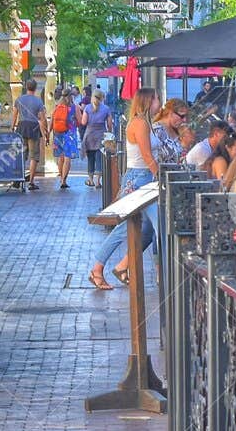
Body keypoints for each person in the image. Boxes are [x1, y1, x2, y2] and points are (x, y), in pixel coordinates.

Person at [86, 88, 161, 289]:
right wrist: (160, 176)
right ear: (148, 101)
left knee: (149, 226)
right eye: (156, 99)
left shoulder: (145, 122)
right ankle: (98, 268)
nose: (159, 103)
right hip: (140, 179)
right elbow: (146, 155)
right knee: (148, 226)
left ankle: (111, 267)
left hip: (142, 178)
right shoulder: (140, 124)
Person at [13, 79, 49, 189]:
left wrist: (12, 127)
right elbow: (43, 119)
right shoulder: (38, 101)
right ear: (35, 88)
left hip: (21, 127)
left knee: (21, 154)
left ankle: (18, 178)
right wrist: (46, 131)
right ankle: (31, 182)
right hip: (34, 128)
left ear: (26, 87)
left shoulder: (19, 99)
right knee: (34, 156)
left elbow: (15, 115)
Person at [81, 89, 112, 188]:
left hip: (89, 134)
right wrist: (109, 132)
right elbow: (110, 124)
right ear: (102, 98)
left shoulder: (87, 108)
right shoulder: (106, 109)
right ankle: (98, 181)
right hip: (101, 135)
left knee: (90, 158)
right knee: (99, 158)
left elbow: (83, 122)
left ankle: (90, 180)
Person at [50, 87, 80, 189]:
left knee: (60, 157)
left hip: (58, 133)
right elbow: (80, 121)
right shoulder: (74, 107)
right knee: (67, 158)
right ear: (71, 96)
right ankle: (64, 180)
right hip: (70, 134)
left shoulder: (57, 106)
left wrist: (48, 133)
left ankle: (61, 178)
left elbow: (52, 120)